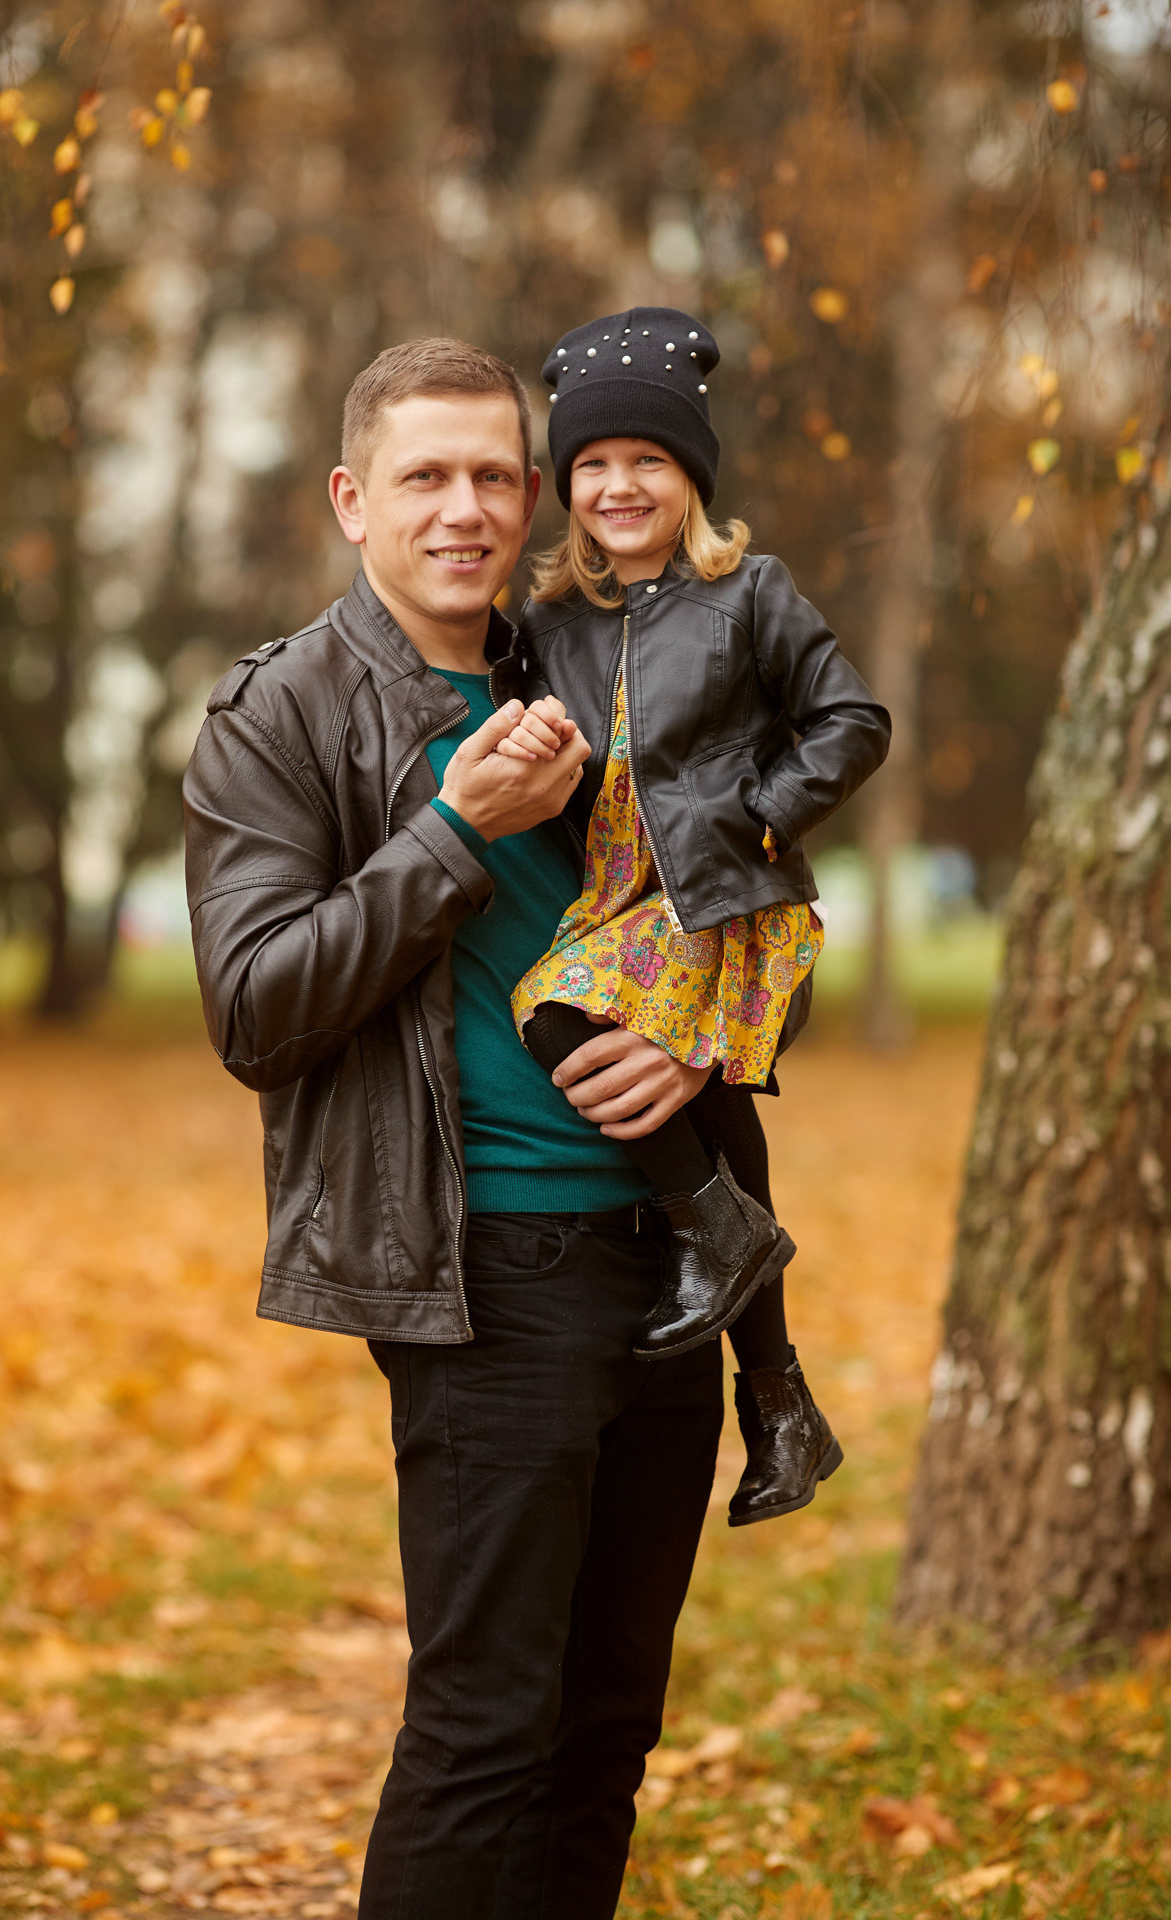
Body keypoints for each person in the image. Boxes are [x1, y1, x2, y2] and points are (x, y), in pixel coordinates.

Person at [183, 337, 736, 1920]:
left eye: (497, 473)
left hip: (670, 1252)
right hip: (484, 1260)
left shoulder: (610, 660)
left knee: (607, 1724)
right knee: (488, 1726)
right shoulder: (279, 716)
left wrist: (701, 1045)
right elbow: (256, 1011)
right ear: (355, 499)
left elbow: (747, 915)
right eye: (426, 476)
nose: (467, 508)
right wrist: (450, 832)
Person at [505, 307, 891, 1527]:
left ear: (690, 480)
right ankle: (776, 1398)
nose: (620, 486)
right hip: (620, 895)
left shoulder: (746, 593)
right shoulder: (552, 627)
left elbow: (851, 723)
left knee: (563, 1012)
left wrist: (758, 817)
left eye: (648, 462)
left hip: (725, 894)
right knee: (687, 1088)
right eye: (593, 466)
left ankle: (711, 1233)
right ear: (567, 488)